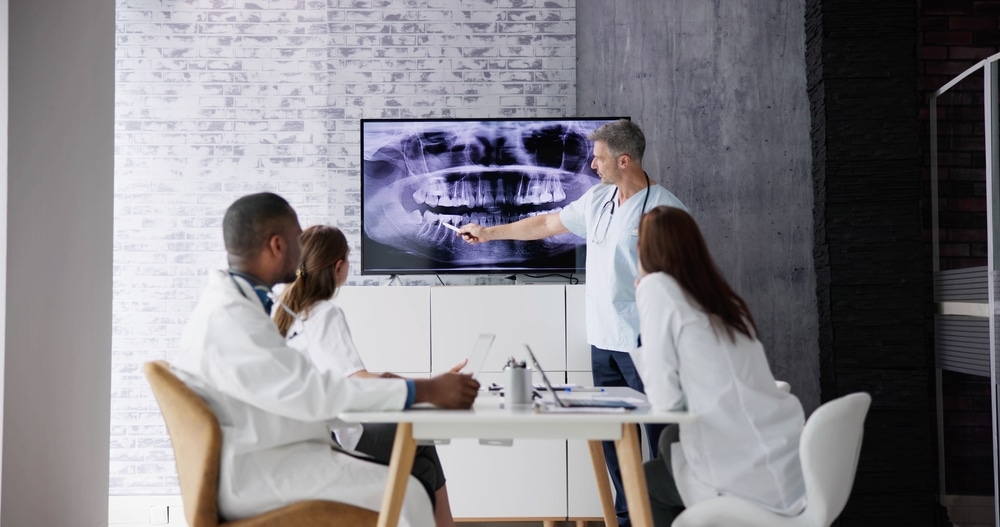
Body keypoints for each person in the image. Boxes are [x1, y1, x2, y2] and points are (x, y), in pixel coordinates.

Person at [171, 192, 480, 527]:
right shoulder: (232, 319)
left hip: (272, 453)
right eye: (296, 237)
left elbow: (307, 387)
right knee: (410, 493)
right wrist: (424, 391)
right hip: (265, 471)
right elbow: (315, 394)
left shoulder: (238, 308)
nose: (302, 249)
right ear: (277, 245)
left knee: (417, 473)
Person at [456, 118, 686, 525]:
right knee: (614, 441)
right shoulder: (598, 200)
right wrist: (489, 233)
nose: (593, 166)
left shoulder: (664, 210)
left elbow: (683, 280)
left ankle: (672, 519)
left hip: (646, 345)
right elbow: (546, 223)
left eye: (599, 159)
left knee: (664, 441)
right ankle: (628, 518)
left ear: (625, 160)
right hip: (603, 343)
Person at [273, 224, 462, 527]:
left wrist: (413, 382)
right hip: (338, 441)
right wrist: (431, 387)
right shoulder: (324, 314)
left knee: (422, 461)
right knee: (420, 439)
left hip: (306, 443)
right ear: (338, 267)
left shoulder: (288, 315)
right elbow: (357, 382)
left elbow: (346, 375)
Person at [633, 205, 807, 526]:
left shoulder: (657, 287)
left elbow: (666, 401)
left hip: (748, 475)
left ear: (650, 251)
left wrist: (644, 301)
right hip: (783, 459)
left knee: (640, 482)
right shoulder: (720, 300)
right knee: (669, 438)